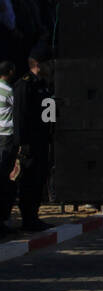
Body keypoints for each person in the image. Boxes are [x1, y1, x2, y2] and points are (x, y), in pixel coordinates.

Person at [12, 46, 55, 232]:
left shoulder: (44, 84)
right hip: (30, 142)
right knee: (29, 180)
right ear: (37, 64)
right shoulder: (25, 85)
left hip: (43, 140)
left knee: (40, 178)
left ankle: (34, 215)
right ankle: (28, 218)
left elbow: (49, 113)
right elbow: (20, 117)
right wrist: (22, 144)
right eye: (48, 63)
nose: (51, 66)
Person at [0, 60, 15, 233]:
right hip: (7, 138)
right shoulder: (9, 91)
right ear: (10, 72)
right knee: (6, 178)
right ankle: (3, 218)